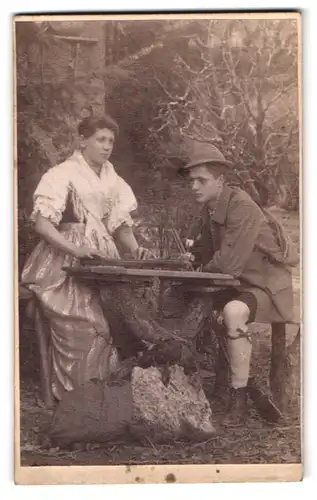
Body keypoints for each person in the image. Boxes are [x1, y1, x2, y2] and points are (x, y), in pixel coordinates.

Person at [21, 115, 151, 401]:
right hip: (64, 262)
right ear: (82, 140)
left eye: (110, 141)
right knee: (87, 323)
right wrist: (76, 250)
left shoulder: (111, 177)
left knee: (116, 318)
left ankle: (106, 397)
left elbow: (120, 224)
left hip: (102, 259)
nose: (106, 147)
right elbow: (42, 225)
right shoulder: (60, 175)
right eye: (100, 140)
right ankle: (79, 396)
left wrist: (134, 247)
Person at [179, 143, 298, 425]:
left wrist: (199, 267)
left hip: (267, 284)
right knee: (189, 304)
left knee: (233, 312)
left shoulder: (241, 206)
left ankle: (239, 396)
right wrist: (189, 259)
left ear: (220, 180)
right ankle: (247, 382)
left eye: (202, 180)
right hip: (238, 282)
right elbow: (207, 253)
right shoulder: (211, 207)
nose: (194, 186)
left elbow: (227, 263)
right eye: (191, 180)